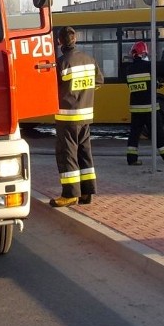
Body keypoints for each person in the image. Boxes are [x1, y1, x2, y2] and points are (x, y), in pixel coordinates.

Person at [49, 26, 104, 207]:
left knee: (68, 155)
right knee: (84, 153)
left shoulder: (61, 63)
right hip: (86, 116)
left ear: (59, 42)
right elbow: (99, 82)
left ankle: (70, 194)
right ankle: (87, 193)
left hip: (68, 118)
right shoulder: (89, 60)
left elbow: (51, 89)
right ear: (76, 39)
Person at [125, 41, 164, 165]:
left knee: (134, 134)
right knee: (158, 132)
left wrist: (154, 83)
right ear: (144, 54)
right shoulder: (148, 66)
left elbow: (139, 85)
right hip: (149, 107)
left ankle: (131, 158)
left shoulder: (129, 70)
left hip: (136, 108)